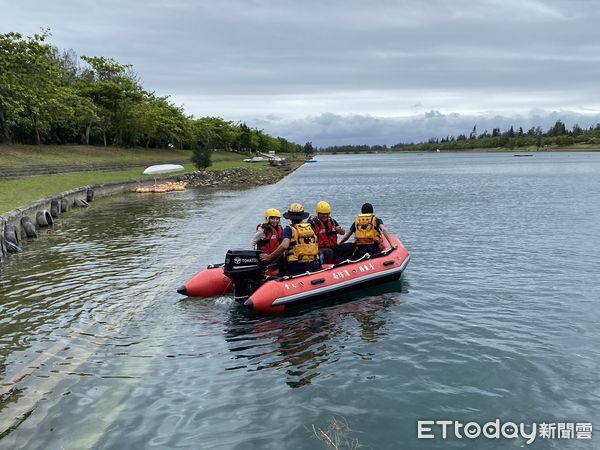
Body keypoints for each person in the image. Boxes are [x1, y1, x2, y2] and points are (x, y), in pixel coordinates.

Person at [260, 203, 321, 276]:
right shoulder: (310, 227)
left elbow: (284, 246)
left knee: (282, 266)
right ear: (302, 217)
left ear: (290, 218)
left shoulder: (289, 229)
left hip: (296, 266)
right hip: (313, 264)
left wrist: (269, 257)